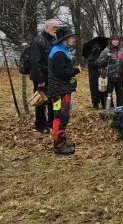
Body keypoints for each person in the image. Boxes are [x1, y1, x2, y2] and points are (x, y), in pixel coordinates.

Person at [47, 26, 81, 155]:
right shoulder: (58, 53)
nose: (74, 39)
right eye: (71, 37)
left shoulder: (61, 50)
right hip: (59, 91)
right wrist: (76, 70)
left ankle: (61, 140)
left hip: (61, 89)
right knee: (60, 117)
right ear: (65, 39)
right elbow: (63, 73)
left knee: (62, 117)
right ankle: (59, 146)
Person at [29, 18, 59, 134]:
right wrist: (40, 79)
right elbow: (34, 62)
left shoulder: (53, 41)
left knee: (53, 99)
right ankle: (40, 125)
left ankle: (51, 122)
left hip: (52, 76)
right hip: (42, 77)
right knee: (41, 101)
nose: (56, 29)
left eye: (57, 27)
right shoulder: (38, 41)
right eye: (54, 27)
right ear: (47, 27)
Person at [96, 35, 123, 108]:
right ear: (110, 41)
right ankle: (108, 111)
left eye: (117, 40)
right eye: (114, 40)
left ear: (119, 41)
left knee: (120, 94)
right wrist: (106, 58)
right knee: (108, 95)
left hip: (119, 77)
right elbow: (99, 63)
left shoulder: (122, 51)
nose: (115, 41)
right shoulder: (106, 50)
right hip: (109, 76)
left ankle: (119, 111)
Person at [87, 42, 103, 110]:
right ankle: (95, 104)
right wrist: (97, 64)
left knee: (102, 89)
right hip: (93, 75)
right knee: (94, 90)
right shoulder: (90, 56)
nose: (97, 49)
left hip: (101, 75)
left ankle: (104, 103)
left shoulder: (102, 55)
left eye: (98, 47)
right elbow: (91, 65)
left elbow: (103, 63)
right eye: (95, 47)